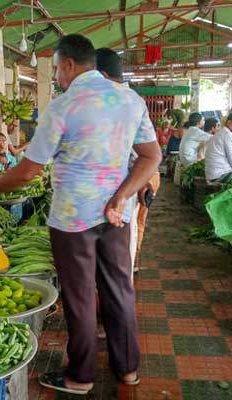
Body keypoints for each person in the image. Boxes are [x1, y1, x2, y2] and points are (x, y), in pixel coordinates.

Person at [0, 34, 161, 394]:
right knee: (119, 289)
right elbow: (152, 157)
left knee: (81, 297)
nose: (55, 76)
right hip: (117, 216)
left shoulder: (63, 106)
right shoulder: (131, 101)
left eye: (55, 69)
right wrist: (121, 197)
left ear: (69, 65)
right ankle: (128, 369)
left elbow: (26, 172)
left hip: (73, 220)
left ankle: (80, 377)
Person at [96, 46, 160, 272]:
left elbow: (147, 155)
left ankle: (128, 269)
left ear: (101, 75)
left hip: (135, 180)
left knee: (130, 230)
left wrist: (135, 187)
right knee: (128, 232)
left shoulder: (122, 102)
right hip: (133, 182)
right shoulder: (128, 100)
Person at [205, 111, 232, 183]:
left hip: (213, 174)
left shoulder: (222, 132)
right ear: (229, 123)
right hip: (220, 175)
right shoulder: (228, 134)